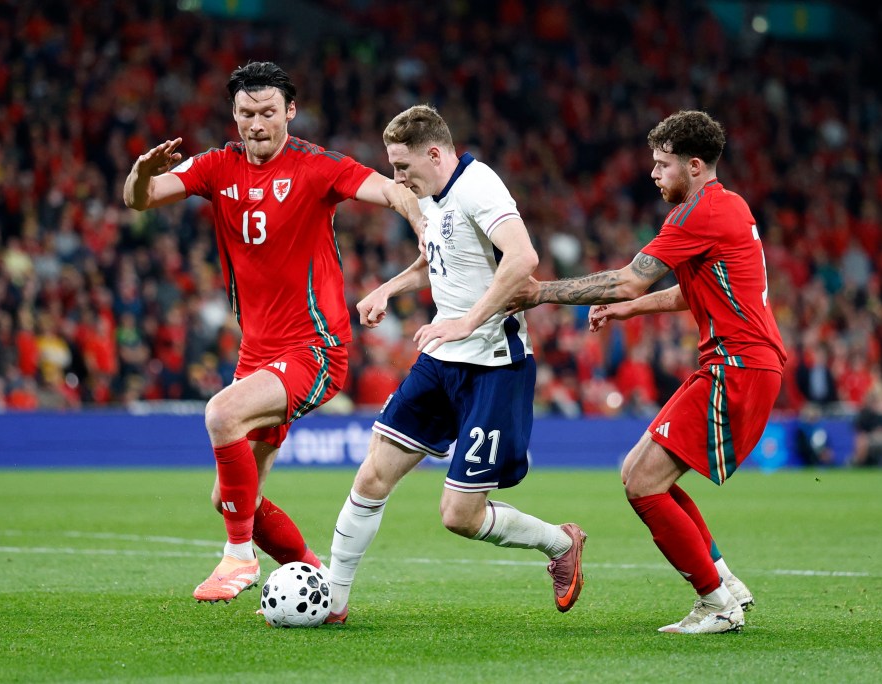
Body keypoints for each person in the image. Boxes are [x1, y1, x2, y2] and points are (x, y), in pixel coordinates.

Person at [123, 61, 423, 603]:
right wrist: (143, 172)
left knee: (220, 413)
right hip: (257, 353)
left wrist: (422, 222)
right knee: (231, 497)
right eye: (245, 113)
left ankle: (238, 558)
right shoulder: (217, 166)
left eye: (266, 112)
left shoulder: (316, 166)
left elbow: (389, 190)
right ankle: (322, 586)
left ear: (289, 111)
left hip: (315, 348)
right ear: (233, 115)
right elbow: (138, 199)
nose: (256, 124)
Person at [508, 110, 787, 634]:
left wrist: (540, 292)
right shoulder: (727, 206)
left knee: (643, 482)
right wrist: (629, 311)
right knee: (636, 471)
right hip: (737, 363)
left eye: (663, 165)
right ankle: (724, 583)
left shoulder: (696, 214)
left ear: (696, 166)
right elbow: (692, 290)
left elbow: (627, 280)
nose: (654, 174)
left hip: (737, 365)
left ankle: (716, 604)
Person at [325, 104, 587, 624]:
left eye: (403, 167)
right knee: (373, 474)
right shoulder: (437, 199)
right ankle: (333, 598)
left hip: (493, 366)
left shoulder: (478, 186)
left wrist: (467, 322)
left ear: (436, 153)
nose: (399, 179)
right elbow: (438, 261)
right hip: (440, 360)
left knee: (459, 517)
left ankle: (560, 543)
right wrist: (390, 286)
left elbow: (522, 259)